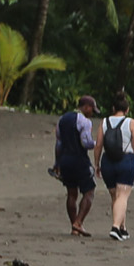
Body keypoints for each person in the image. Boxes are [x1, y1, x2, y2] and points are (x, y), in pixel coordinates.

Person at [94, 93, 134, 240]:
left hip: (108, 161)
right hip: (126, 160)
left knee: (115, 196)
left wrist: (97, 164)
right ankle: (115, 227)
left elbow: (98, 145)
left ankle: (123, 228)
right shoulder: (131, 123)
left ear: (113, 108)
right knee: (122, 195)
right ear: (127, 109)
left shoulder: (104, 122)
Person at [54, 95, 98, 236]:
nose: (92, 114)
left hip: (65, 160)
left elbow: (59, 144)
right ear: (85, 107)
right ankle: (78, 222)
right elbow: (86, 143)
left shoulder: (62, 120)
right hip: (79, 159)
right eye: (92, 110)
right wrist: (97, 144)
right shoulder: (84, 122)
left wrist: (57, 163)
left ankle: (74, 227)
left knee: (71, 193)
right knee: (89, 191)